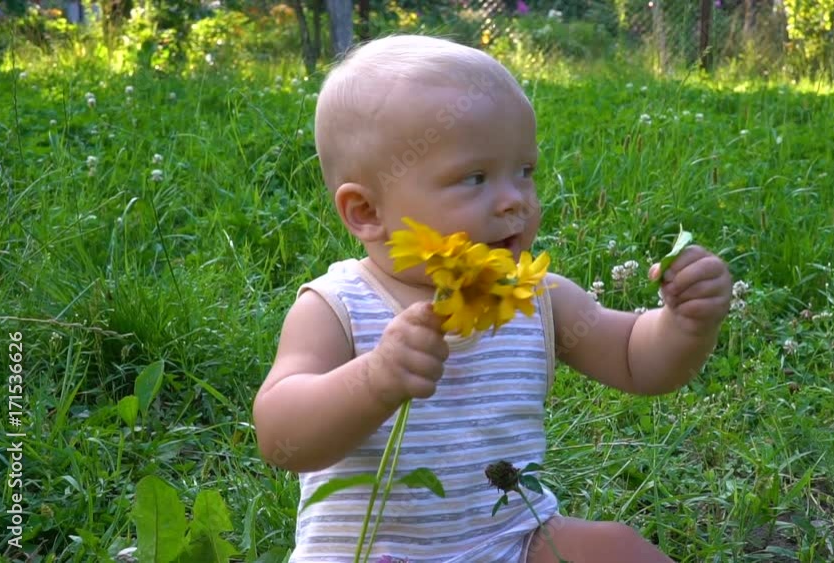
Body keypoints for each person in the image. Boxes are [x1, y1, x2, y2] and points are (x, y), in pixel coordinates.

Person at [253, 34, 732, 563]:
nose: (514, 201)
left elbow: (635, 360)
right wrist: (375, 378)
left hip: (510, 543)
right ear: (366, 211)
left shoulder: (534, 295)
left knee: (616, 548)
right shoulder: (338, 306)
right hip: (376, 554)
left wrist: (686, 322)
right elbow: (280, 433)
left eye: (524, 172)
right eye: (475, 178)